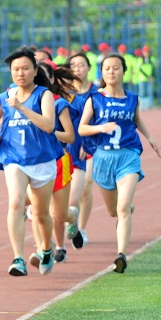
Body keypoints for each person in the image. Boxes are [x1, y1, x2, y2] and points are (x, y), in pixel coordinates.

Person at [78, 53, 161, 273]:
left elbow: (137, 119)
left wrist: (150, 138)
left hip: (128, 156)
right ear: (102, 72)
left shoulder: (133, 98)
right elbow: (82, 128)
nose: (111, 72)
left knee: (122, 208)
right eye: (107, 68)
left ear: (124, 71)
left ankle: (121, 255)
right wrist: (100, 128)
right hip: (103, 158)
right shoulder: (94, 99)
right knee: (114, 211)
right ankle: (125, 208)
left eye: (116, 68)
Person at [0, 47, 57, 276]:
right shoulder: (6, 95)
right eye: (15, 69)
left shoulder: (44, 95)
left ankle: (46, 249)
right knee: (16, 202)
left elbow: (49, 125)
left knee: (41, 213)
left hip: (42, 160)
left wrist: (21, 107)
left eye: (25, 68)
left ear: (35, 71)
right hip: (14, 157)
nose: (20, 73)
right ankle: (18, 258)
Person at [26, 62, 78, 267]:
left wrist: (48, 131)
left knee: (59, 214)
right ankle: (42, 251)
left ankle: (72, 216)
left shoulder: (58, 103)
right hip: (34, 162)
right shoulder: (23, 103)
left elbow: (70, 136)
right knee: (38, 210)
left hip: (58, 160)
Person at [66, 52, 98, 248]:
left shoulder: (97, 92)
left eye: (81, 65)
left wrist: (88, 143)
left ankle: (82, 228)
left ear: (88, 68)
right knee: (70, 193)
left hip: (91, 145)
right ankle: (72, 222)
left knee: (86, 185)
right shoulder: (65, 92)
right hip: (69, 145)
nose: (77, 69)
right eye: (73, 66)